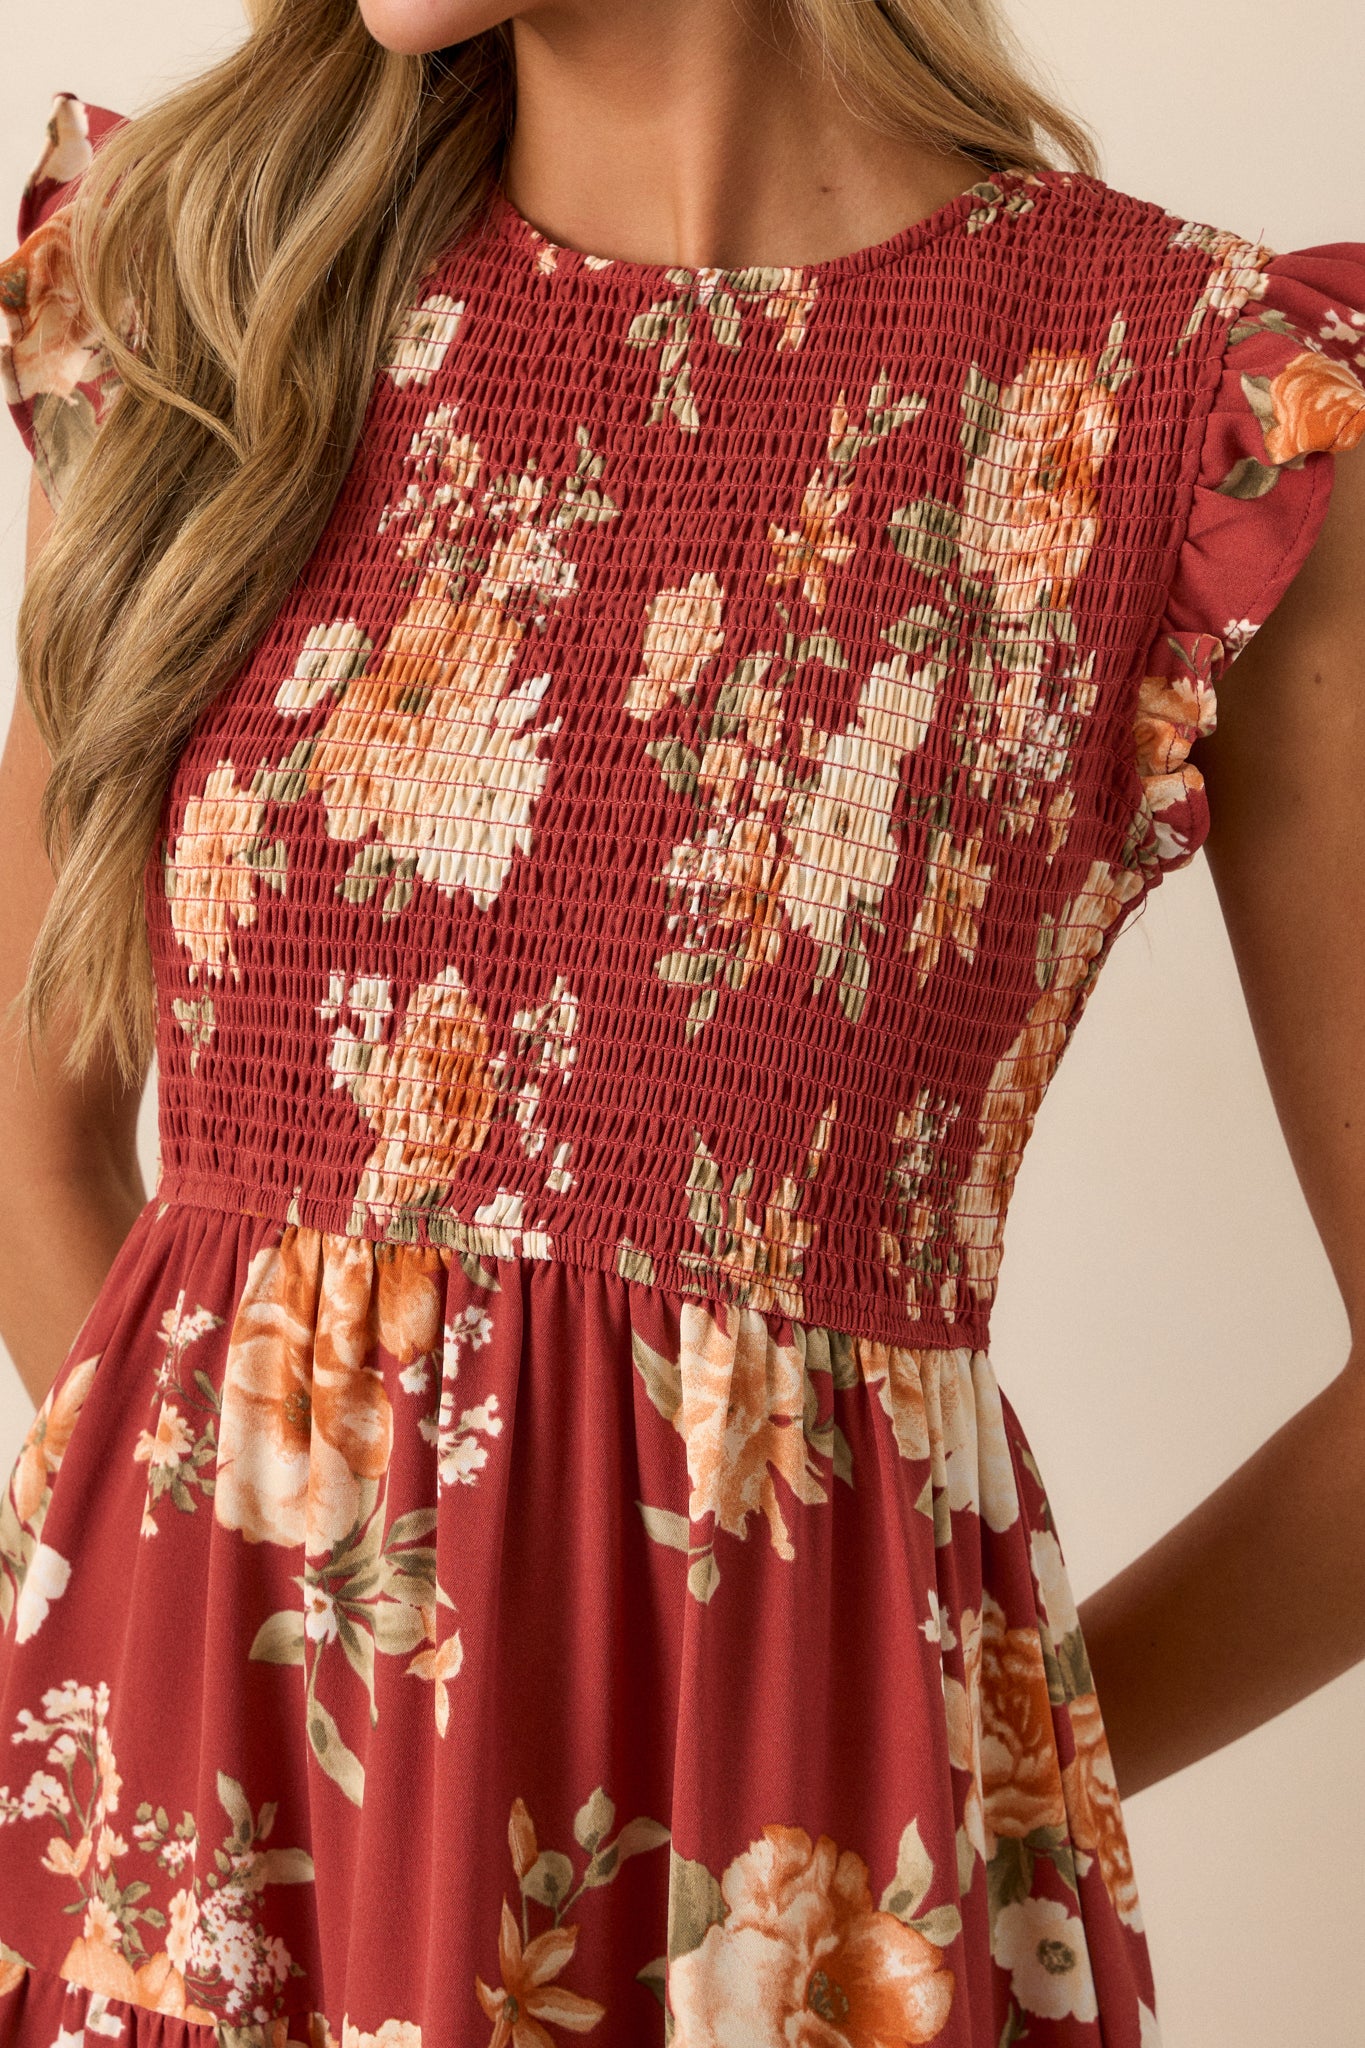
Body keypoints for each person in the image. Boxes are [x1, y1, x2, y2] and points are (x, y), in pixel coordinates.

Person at [0, 1, 1362, 2042]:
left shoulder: (1172, 398)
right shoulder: (204, 295)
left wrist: (941, 1798)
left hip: (769, 1955)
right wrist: (272, 1650)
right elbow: (24, 1125)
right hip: (197, 1883)